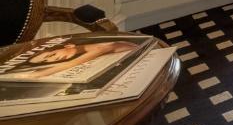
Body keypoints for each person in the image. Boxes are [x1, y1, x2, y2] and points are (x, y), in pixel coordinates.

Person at [7, 40, 140, 80]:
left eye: (51, 54)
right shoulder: (94, 49)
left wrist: (38, 74)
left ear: (68, 45)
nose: (54, 59)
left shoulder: (101, 47)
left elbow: (74, 63)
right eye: (46, 62)